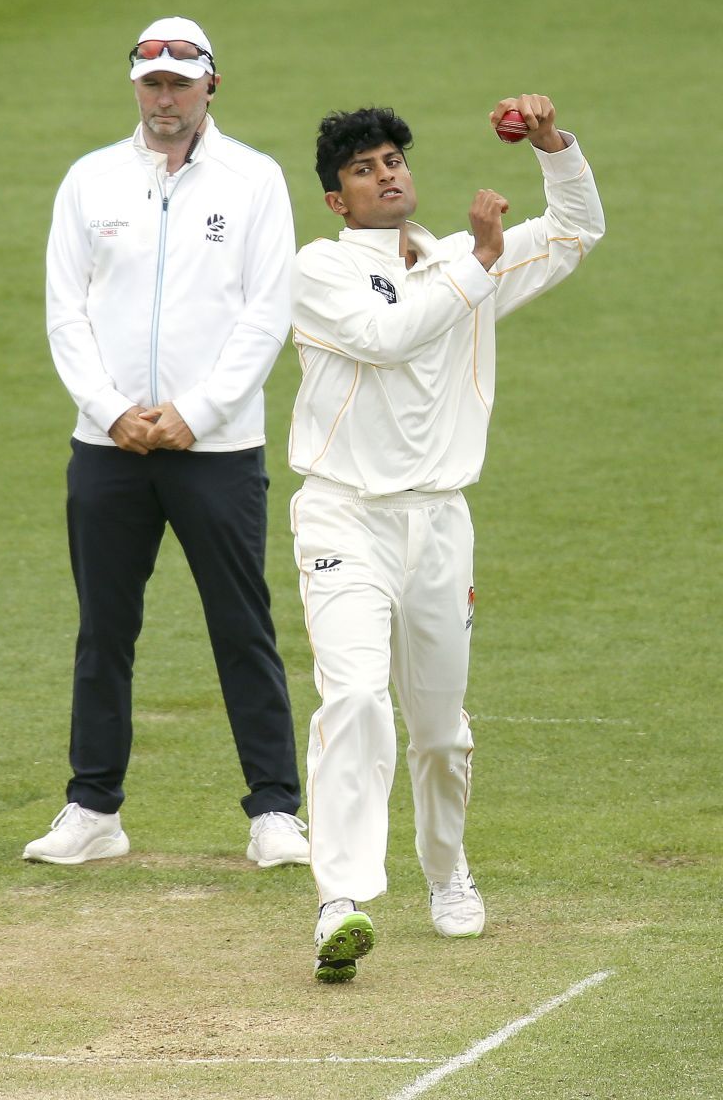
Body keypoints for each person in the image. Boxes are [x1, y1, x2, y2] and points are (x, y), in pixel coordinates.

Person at [288, 96, 605, 981]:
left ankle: (446, 871)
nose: (386, 174)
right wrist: (482, 268)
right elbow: (386, 340)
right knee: (353, 699)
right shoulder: (319, 268)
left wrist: (554, 147)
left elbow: (579, 229)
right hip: (344, 514)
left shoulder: (464, 258)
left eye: (393, 159)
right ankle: (341, 901)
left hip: (440, 522)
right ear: (338, 201)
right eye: (364, 169)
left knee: (439, 735)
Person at [24, 16, 309, 870]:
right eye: (152, 82)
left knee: (241, 625)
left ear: (210, 86)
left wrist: (198, 410)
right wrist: (113, 411)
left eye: (181, 83)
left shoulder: (255, 180)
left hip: (216, 449)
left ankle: (274, 812)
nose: (165, 98)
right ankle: (93, 808)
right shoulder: (90, 180)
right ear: (136, 87)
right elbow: (64, 309)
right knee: (104, 629)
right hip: (107, 446)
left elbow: (267, 312)